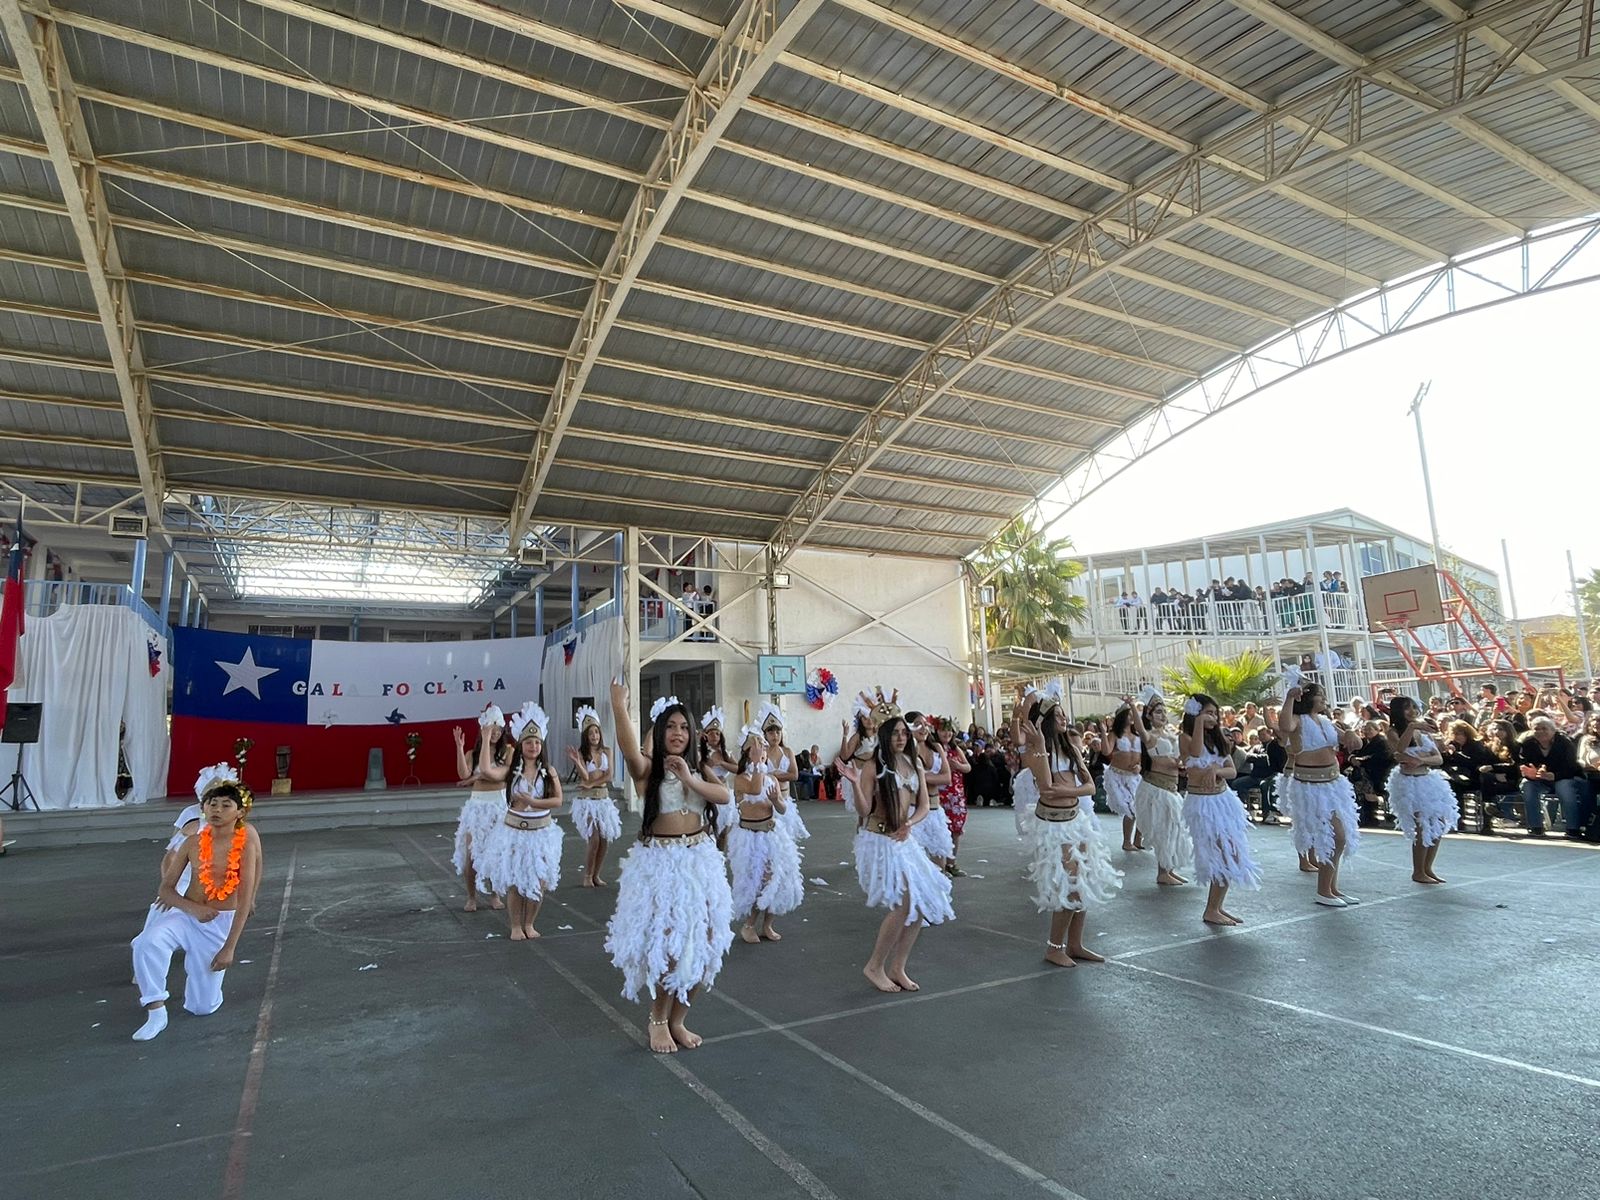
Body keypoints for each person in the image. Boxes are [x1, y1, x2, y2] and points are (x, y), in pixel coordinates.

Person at [604, 679, 734, 1053]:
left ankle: (679, 1019)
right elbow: (630, 750)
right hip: (662, 862)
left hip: (700, 860)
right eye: (671, 726)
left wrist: (691, 776)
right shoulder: (649, 770)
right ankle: (658, 1019)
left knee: (707, 942)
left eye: (684, 727)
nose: (678, 733)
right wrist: (619, 706)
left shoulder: (698, 768)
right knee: (670, 947)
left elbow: (724, 797)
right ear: (660, 732)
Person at [130, 765, 263, 1041]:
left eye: (225, 805)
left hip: (219, 922)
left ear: (239, 812)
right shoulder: (192, 842)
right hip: (186, 915)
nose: (216, 809)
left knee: (202, 1007)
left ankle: (204, 991)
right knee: (146, 942)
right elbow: (165, 889)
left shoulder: (246, 841)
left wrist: (229, 949)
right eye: (212, 803)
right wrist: (192, 908)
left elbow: (245, 896)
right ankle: (155, 1009)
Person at [836, 698, 953, 994]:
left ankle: (897, 967)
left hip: (904, 839)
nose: (901, 737)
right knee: (903, 905)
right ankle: (875, 966)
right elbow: (864, 811)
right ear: (885, 735)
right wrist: (853, 781)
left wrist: (910, 824)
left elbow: (924, 805)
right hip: (879, 840)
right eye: (896, 732)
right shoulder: (874, 765)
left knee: (921, 904)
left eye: (904, 732)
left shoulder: (913, 764)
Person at [1011, 683, 1120, 966]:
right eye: (1058, 715)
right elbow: (1046, 786)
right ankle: (1053, 947)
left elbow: (1089, 787)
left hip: (1076, 821)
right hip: (1052, 827)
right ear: (1046, 721)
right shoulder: (1036, 752)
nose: (1064, 719)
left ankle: (1075, 944)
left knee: (1083, 880)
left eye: (1063, 715)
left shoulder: (1071, 748)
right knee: (1069, 885)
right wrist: (1040, 746)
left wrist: (1066, 792)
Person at [477, 703, 562, 939]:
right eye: (528, 742)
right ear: (521, 745)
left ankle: (530, 923)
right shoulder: (510, 771)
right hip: (515, 831)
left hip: (541, 832)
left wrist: (533, 803)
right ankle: (515, 925)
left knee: (539, 880)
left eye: (536, 742)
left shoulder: (549, 771)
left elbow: (557, 801)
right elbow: (485, 770)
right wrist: (485, 739)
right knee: (515, 880)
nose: (533, 746)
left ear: (541, 745)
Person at [1277, 671, 1362, 907]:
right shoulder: (1298, 721)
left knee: (1340, 837)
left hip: (1333, 784)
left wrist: (1352, 734)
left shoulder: (1326, 721)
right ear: (1308, 698)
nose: (1324, 698)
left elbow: (1354, 743)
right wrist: (1290, 697)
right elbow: (1284, 724)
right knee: (1333, 836)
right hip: (1311, 788)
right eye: (1320, 695)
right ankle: (1323, 891)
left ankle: (1332, 888)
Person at [1180, 694, 1258, 925]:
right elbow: (1194, 753)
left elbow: (1232, 771)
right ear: (1196, 715)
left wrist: (1216, 770)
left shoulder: (1218, 740)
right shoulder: (1185, 738)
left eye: (1215, 713)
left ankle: (1216, 906)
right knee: (1217, 854)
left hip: (1223, 800)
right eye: (1208, 713)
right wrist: (1199, 724)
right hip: (1201, 803)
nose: (1214, 717)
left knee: (1231, 852)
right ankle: (1211, 909)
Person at [726, 723, 804, 945]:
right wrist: (758, 764)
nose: (761, 749)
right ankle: (749, 925)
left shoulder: (770, 778)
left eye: (761, 746)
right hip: (750, 837)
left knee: (776, 879)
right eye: (756, 747)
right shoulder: (741, 777)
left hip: (771, 834)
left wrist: (776, 800)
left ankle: (767, 924)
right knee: (756, 883)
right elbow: (752, 789)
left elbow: (781, 808)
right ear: (746, 752)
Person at [1384, 696, 1455, 884]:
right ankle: (1418, 871)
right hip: (1409, 783)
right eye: (1407, 708)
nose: (1412, 711)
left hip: (1427, 780)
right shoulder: (1393, 731)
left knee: (1438, 824)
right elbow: (1400, 750)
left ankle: (1428, 867)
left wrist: (1421, 759)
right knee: (1422, 826)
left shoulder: (1424, 732)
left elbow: (1438, 758)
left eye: (1414, 707)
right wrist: (1411, 728)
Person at [1128, 689, 1192, 886]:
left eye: (1164, 712)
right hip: (1156, 789)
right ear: (1149, 715)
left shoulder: (1172, 734)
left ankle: (1168, 869)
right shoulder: (1149, 736)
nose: (1163, 716)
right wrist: (1132, 706)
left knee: (1173, 830)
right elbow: (1138, 728)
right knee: (1163, 831)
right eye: (1157, 712)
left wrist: (1182, 764)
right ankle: (1162, 872)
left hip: (1171, 788)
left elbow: (1180, 757)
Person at [451, 705, 509, 912]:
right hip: (476, 807)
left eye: (498, 730)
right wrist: (459, 748)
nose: (494, 733)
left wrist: (477, 777)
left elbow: (499, 775)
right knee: (471, 855)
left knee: (497, 853)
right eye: (490, 729)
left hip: (498, 805)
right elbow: (462, 774)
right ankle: (471, 897)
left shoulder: (508, 752)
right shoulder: (473, 753)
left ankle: (495, 895)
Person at [567, 705, 620, 889]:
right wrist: (577, 762)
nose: (595, 736)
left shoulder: (607, 751)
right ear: (585, 735)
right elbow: (585, 776)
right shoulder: (582, 753)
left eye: (596, 732)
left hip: (603, 799)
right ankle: (587, 875)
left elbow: (609, 775)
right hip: (588, 801)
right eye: (591, 733)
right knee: (594, 838)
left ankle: (597, 875)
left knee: (605, 839)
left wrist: (591, 784)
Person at [1515, 717, 1591, 838]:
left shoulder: (1565, 742)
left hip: (1566, 777)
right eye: (1536, 729)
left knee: (1564, 787)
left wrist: (1554, 775)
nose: (1540, 732)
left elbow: (1572, 767)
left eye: (1544, 728)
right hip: (1539, 779)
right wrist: (1529, 773)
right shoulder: (1528, 744)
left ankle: (1573, 829)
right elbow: (1522, 763)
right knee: (1526, 785)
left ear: (1553, 730)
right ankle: (1536, 827)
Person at [906, 712, 955, 871]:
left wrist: (922, 776)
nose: (923, 728)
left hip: (935, 810)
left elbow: (947, 778)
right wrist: (932, 776)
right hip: (913, 809)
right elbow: (908, 779)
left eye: (925, 724)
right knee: (915, 863)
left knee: (939, 861)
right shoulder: (906, 751)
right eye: (918, 724)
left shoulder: (937, 747)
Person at [758, 703, 809, 842]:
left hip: (785, 799)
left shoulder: (787, 751)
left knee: (786, 842)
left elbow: (794, 775)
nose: (775, 735)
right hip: (767, 801)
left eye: (778, 732)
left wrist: (774, 775)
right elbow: (759, 775)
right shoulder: (762, 753)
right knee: (771, 840)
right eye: (771, 732)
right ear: (765, 735)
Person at [1102, 704, 1145, 852]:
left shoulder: (1138, 736)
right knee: (1130, 810)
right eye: (1129, 714)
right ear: (1122, 717)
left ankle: (1138, 840)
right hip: (1118, 776)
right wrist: (1103, 731)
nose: (1132, 717)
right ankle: (1127, 841)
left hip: (1134, 776)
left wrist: (1139, 765)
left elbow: (1143, 756)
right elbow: (1106, 750)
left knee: (1141, 808)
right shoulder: (1115, 734)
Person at [932, 720, 971, 876]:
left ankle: (951, 863)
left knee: (956, 829)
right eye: (943, 731)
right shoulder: (933, 749)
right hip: (940, 793)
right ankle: (939, 864)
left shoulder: (956, 749)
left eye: (949, 731)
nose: (946, 734)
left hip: (955, 794)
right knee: (941, 829)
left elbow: (968, 767)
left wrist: (959, 766)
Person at [698, 706, 738, 850]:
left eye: (717, 733)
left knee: (723, 830)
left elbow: (739, 769)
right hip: (707, 794)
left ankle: (720, 856)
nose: (715, 736)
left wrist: (722, 763)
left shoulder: (725, 753)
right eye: (711, 733)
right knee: (707, 828)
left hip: (724, 793)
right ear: (705, 735)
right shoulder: (699, 753)